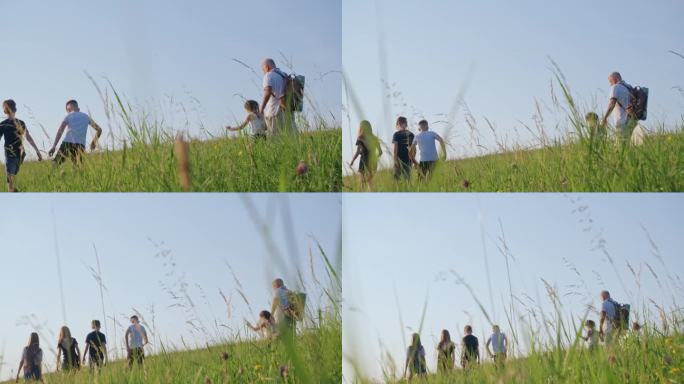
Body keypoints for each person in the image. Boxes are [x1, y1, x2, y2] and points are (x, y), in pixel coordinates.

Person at [0, 99, 42, 192]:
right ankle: (13, 193)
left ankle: (13, 193)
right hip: (15, 154)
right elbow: (29, 137)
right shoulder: (8, 124)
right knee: (10, 178)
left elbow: (28, 137)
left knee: (11, 178)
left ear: (4, 110)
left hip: (17, 155)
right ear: (16, 109)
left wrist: (37, 151)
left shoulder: (5, 124)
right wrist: (37, 151)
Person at [48, 99, 102, 165]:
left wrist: (54, 146)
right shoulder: (86, 117)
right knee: (78, 168)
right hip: (80, 146)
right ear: (78, 108)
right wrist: (93, 142)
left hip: (67, 144)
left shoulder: (68, 116)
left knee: (55, 164)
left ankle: (51, 175)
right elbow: (99, 130)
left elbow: (60, 131)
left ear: (68, 110)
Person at [259, 58, 294, 135]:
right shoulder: (285, 75)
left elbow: (267, 92)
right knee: (288, 137)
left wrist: (261, 109)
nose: (263, 72)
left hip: (274, 112)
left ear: (267, 67)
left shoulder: (268, 75)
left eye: (263, 70)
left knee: (274, 139)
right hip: (287, 109)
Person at [601, 72, 635, 141]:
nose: (610, 84)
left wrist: (605, 118)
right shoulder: (629, 88)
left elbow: (612, 103)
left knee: (621, 147)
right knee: (628, 145)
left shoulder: (616, 87)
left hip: (622, 122)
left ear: (615, 80)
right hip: (633, 121)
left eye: (610, 82)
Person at [349, 120, 382, 189]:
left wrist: (352, 161)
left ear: (361, 128)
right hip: (373, 161)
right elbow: (380, 152)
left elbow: (358, 152)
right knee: (370, 182)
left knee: (362, 183)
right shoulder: (374, 138)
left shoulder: (360, 139)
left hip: (363, 161)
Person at [392, 116, 414, 181]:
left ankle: (398, 190)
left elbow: (395, 149)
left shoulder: (396, 134)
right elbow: (413, 149)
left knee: (397, 179)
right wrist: (412, 160)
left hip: (399, 159)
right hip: (408, 160)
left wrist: (395, 159)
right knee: (407, 178)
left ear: (398, 124)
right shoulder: (411, 134)